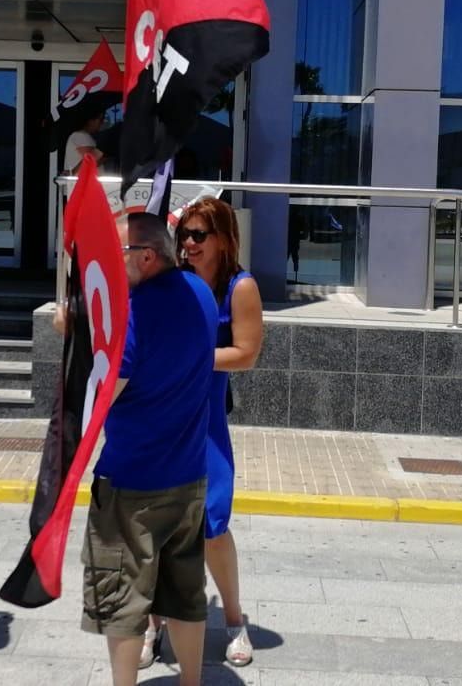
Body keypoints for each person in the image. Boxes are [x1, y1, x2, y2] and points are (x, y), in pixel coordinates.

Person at [76, 212, 218, 686]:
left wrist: (77, 339)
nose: (111, 266)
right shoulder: (199, 292)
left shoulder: (135, 312)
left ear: (147, 256)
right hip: (189, 476)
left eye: (118, 256)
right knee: (185, 594)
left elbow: (102, 394)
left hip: (132, 481)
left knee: (122, 601)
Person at [140, 197, 263, 668]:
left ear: (224, 238)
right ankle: (153, 626)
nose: (188, 243)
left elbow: (246, 353)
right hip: (162, 415)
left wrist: (188, 361)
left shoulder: (239, 286)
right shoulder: (174, 281)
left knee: (213, 523)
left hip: (205, 417)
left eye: (198, 235)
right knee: (155, 525)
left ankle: (234, 619)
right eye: (184, 235)